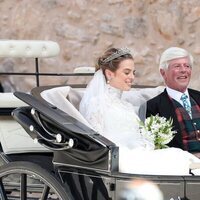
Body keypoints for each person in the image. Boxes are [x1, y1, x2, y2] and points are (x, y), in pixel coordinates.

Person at [79, 47, 200, 175]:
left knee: (178, 155)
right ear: (110, 74)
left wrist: (147, 146)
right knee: (177, 157)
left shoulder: (127, 106)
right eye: (127, 72)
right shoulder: (96, 104)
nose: (132, 77)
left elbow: (139, 134)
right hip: (121, 158)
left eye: (133, 73)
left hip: (139, 153)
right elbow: (98, 143)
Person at [146, 47, 200, 158]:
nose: (183, 70)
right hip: (182, 167)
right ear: (163, 73)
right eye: (177, 66)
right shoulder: (153, 107)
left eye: (187, 66)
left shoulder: (198, 97)